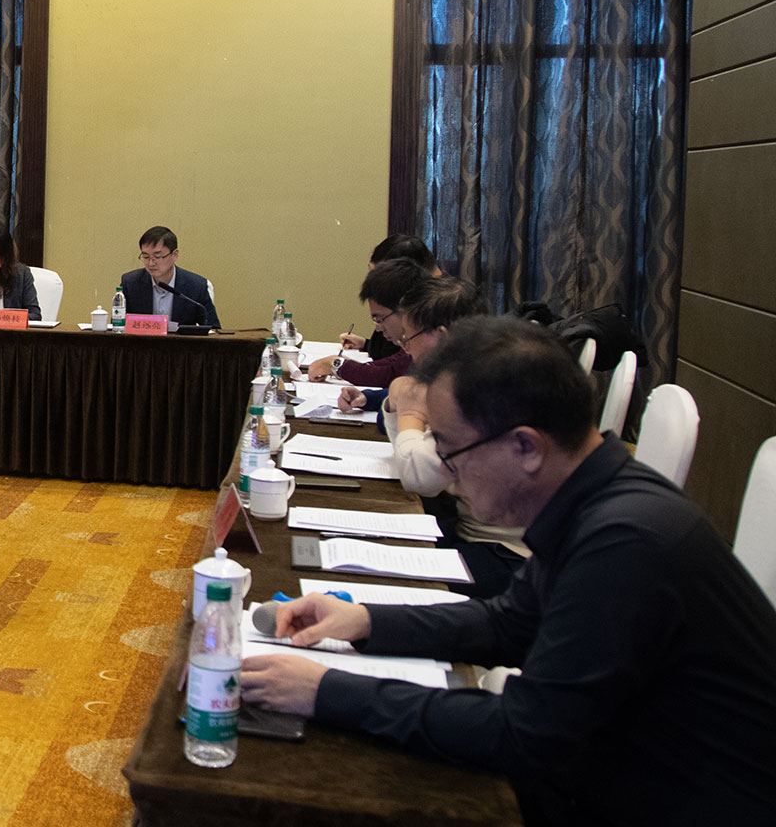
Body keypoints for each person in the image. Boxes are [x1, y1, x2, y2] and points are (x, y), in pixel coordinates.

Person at [239, 316, 776, 824]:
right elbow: (510, 624)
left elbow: (523, 734)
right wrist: (364, 620)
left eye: (451, 451)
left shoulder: (626, 542)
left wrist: (327, 690)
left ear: (526, 446)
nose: (448, 475)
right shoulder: (598, 498)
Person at [342, 277, 526, 597]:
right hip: (473, 529)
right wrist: (396, 404)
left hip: (506, 555)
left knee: (382, 577)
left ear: (441, 336)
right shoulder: (473, 366)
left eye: (409, 338)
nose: (405, 347)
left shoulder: (479, 385)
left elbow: (419, 477)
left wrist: (409, 413)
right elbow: (411, 457)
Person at [312, 234, 437, 374]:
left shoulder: (424, 328)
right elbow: (392, 360)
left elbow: (392, 371)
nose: (370, 278)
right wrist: (366, 345)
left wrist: (338, 365)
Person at [118, 226, 218, 329]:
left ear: (174, 255)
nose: (151, 263)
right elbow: (117, 326)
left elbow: (213, 330)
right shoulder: (130, 283)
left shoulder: (197, 287)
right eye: (146, 257)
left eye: (157, 257)